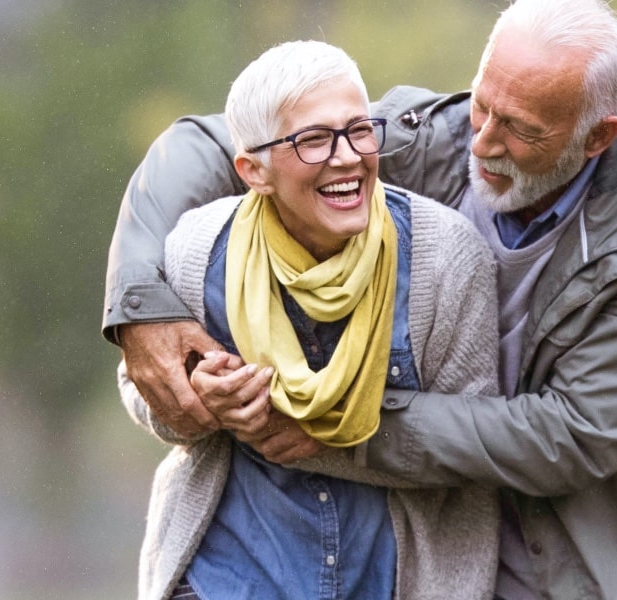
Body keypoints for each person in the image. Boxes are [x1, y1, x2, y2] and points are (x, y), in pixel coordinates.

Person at [105, 1, 617, 597]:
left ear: (597, 138)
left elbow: (572, 437)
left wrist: (332, 423)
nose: (482, 143)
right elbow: (215, 142)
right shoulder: (428, 139)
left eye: (521, 131)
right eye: (482, 105)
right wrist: (138, 304)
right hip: (467, 546)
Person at [114, 40, 501, 600]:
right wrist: (198, 401)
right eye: (313, 140)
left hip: (390, 582)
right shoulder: (198, 249)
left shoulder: (447, 258)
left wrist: (328, 438)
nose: (346, 157)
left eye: (359, 130)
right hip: (224, 579)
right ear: (253, 171)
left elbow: (479, 445)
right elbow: (141, 390)